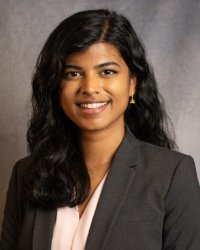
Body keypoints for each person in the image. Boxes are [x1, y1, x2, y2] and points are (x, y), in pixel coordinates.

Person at [0, 9, 200, 250]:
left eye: (107, 72)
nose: (90, 87)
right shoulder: (26, 174)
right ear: (56, 86)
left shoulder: (171, 175)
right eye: (73, 73)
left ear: (132, 84)